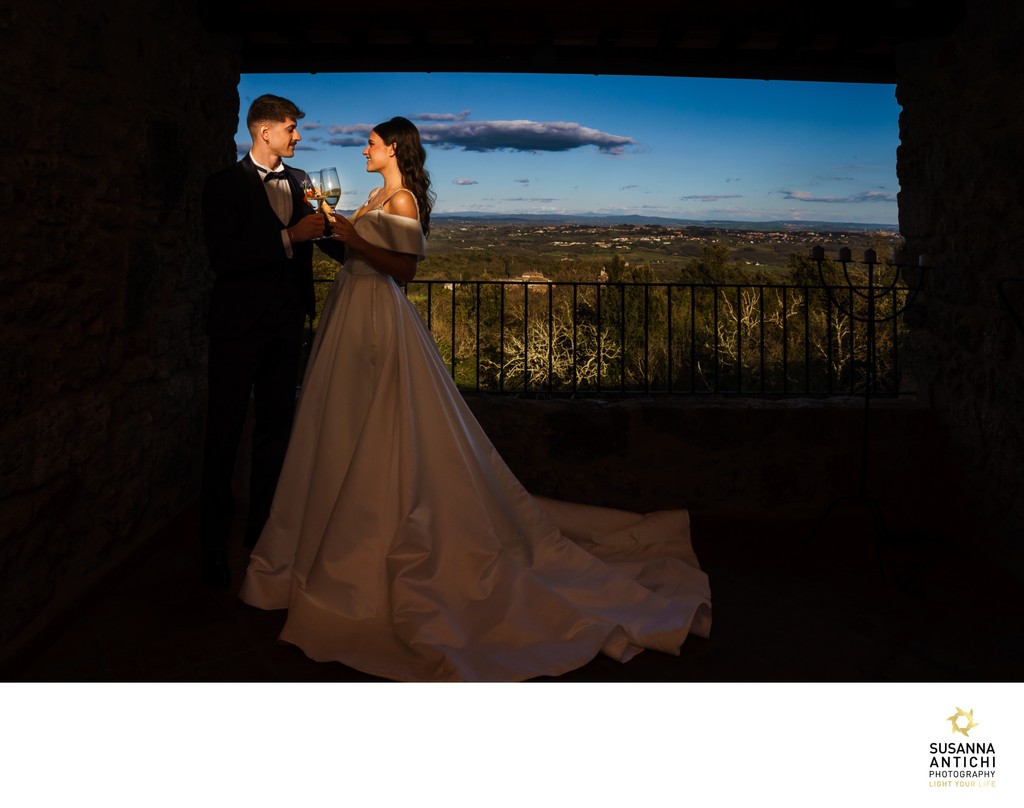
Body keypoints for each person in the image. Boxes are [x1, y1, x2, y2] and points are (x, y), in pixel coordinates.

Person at [239, 116, 712, 681]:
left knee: (381, 427)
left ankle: (370, 549)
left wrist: (348, 234)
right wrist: (338, 230)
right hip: (350, 312)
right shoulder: (374, 195)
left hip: (377, 320)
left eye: (370, 142)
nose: (363, 148)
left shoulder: (406, 201)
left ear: (393, 148)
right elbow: (359, 254)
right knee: (337, 426)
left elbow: (405, 271)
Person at [199, 94, 346, 589]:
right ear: (265, 132)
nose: (298, 136)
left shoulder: (303, 182)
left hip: (287, 325)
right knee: (223, 432)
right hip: (238, 328)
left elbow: (324, 236)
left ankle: (264, 534)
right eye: (291, 128)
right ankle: (211, 547)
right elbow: (225, 256)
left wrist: (376, 253)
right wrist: (290, 239)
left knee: (276, 430)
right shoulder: (222, 186)